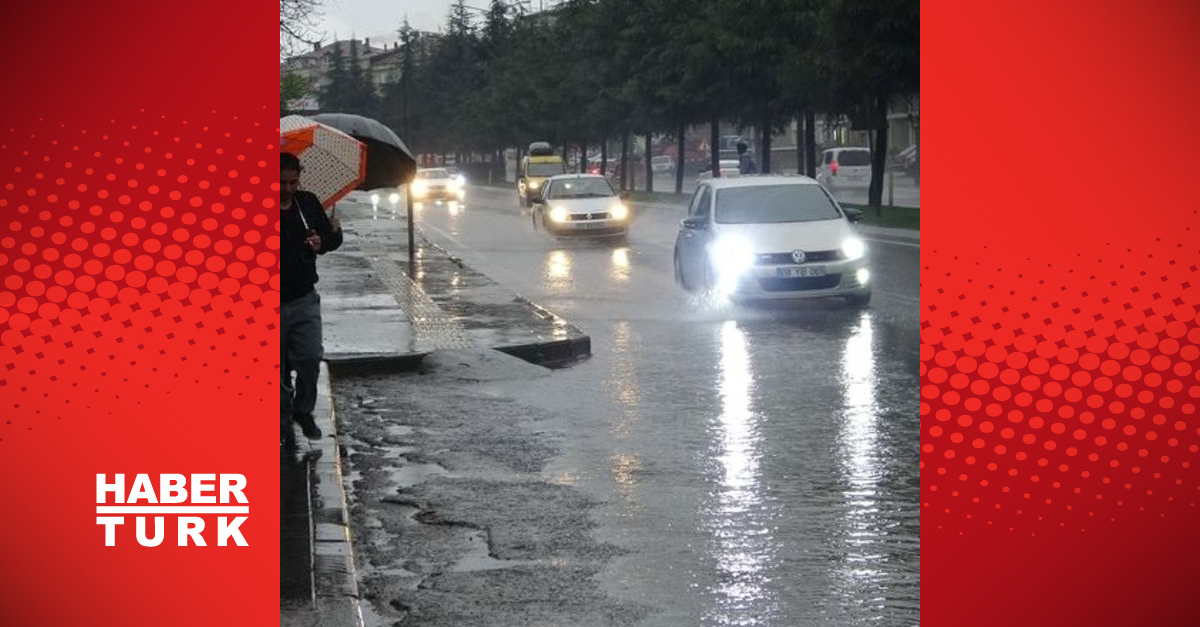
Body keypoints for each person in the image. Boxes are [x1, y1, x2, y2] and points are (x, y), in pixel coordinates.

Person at [280, 152, 343, 443]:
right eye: (281, 183)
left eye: (293, 182)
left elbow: (333, 240)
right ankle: (282, 419)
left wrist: (326, 240)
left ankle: (303, 410)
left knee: (309, 358)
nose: (287, 189)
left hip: (304, 299)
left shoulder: (307, 203)